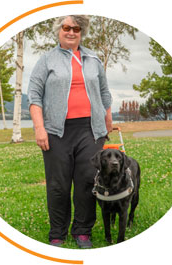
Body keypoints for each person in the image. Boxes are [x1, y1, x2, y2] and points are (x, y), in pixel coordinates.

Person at [27, 15, 113, 248]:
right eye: (66, 28)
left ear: (81, 32)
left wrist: (107, 122)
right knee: (58, 185)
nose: (71, 32)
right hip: (56, 131)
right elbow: (34, 96)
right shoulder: (47, 60)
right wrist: (39, 128)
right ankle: (57, 233)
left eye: (76, 28)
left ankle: (83, 231)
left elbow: (104, 94)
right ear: (59, 31)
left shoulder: (93, 59)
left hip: (90, 130)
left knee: (87, 181)